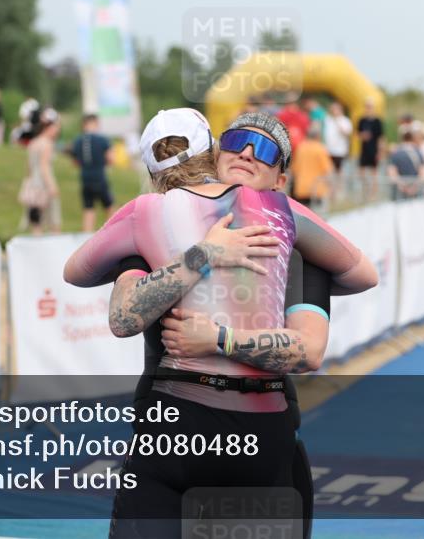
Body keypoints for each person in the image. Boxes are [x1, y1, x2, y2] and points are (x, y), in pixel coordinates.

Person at [65, 109, 378, 537]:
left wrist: (218, 333)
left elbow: (313, 348)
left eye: (264, 150)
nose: (247, 153)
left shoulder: (290, 242)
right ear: (214, 152)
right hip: (213, 426)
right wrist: (208, 255)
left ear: (281, 178)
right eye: (235, 142)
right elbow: (361, 274)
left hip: (211, 425)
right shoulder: (286, 223)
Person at [71, 114, 116, 233]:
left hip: (85, 178)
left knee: (88, 209)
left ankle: (86, 235)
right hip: (99, 178)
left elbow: (75, 162)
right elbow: (111, 159)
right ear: (95, 124)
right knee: (109, 206)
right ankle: (110, 233)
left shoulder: (78, 141)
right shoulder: (102, 140)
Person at [18, 112, 61, 234]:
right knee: (53, 219)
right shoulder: (47, 144)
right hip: (44, 184)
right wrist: (52, 186)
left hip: (33, 183)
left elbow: (29, 167)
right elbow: (44, 166)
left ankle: (37, 239)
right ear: (49, 127)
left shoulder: (34, 143)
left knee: (36, 220)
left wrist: (28, 182)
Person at [290, 122, 335, 208]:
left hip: (301, 189)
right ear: (318, 136)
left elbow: (294, 170)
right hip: (317, 189)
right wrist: (332, 189)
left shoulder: (301, 147)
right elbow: (328, 171)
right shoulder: (320, 149)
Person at [387, 127, 424, 200]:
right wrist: (414, 187)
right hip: (415, 192)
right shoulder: (418, 153)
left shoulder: (396, 153)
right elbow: (422, 173)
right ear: (412, 138)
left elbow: (392, 173)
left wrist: (402, 187)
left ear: (401, 138)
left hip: (399, 193)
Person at [357, 98, 383, 200]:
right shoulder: (362, 120)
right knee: (361, 173)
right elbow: (358, 134)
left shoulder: (377, 121)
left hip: (374, 149)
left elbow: (381, 138)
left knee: (374, 174)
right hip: (364, 150)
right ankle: (365, 191)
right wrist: (363, 136)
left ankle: (373, 194)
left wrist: (379, 152)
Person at [323, 101, 352, 175]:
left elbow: (347, 133)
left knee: (339, 169)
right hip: (328, 149)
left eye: (335, 109)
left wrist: (338, 123)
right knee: (328, 169)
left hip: (340, 150)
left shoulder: (345, 121)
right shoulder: (328, 120)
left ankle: (339, 182)